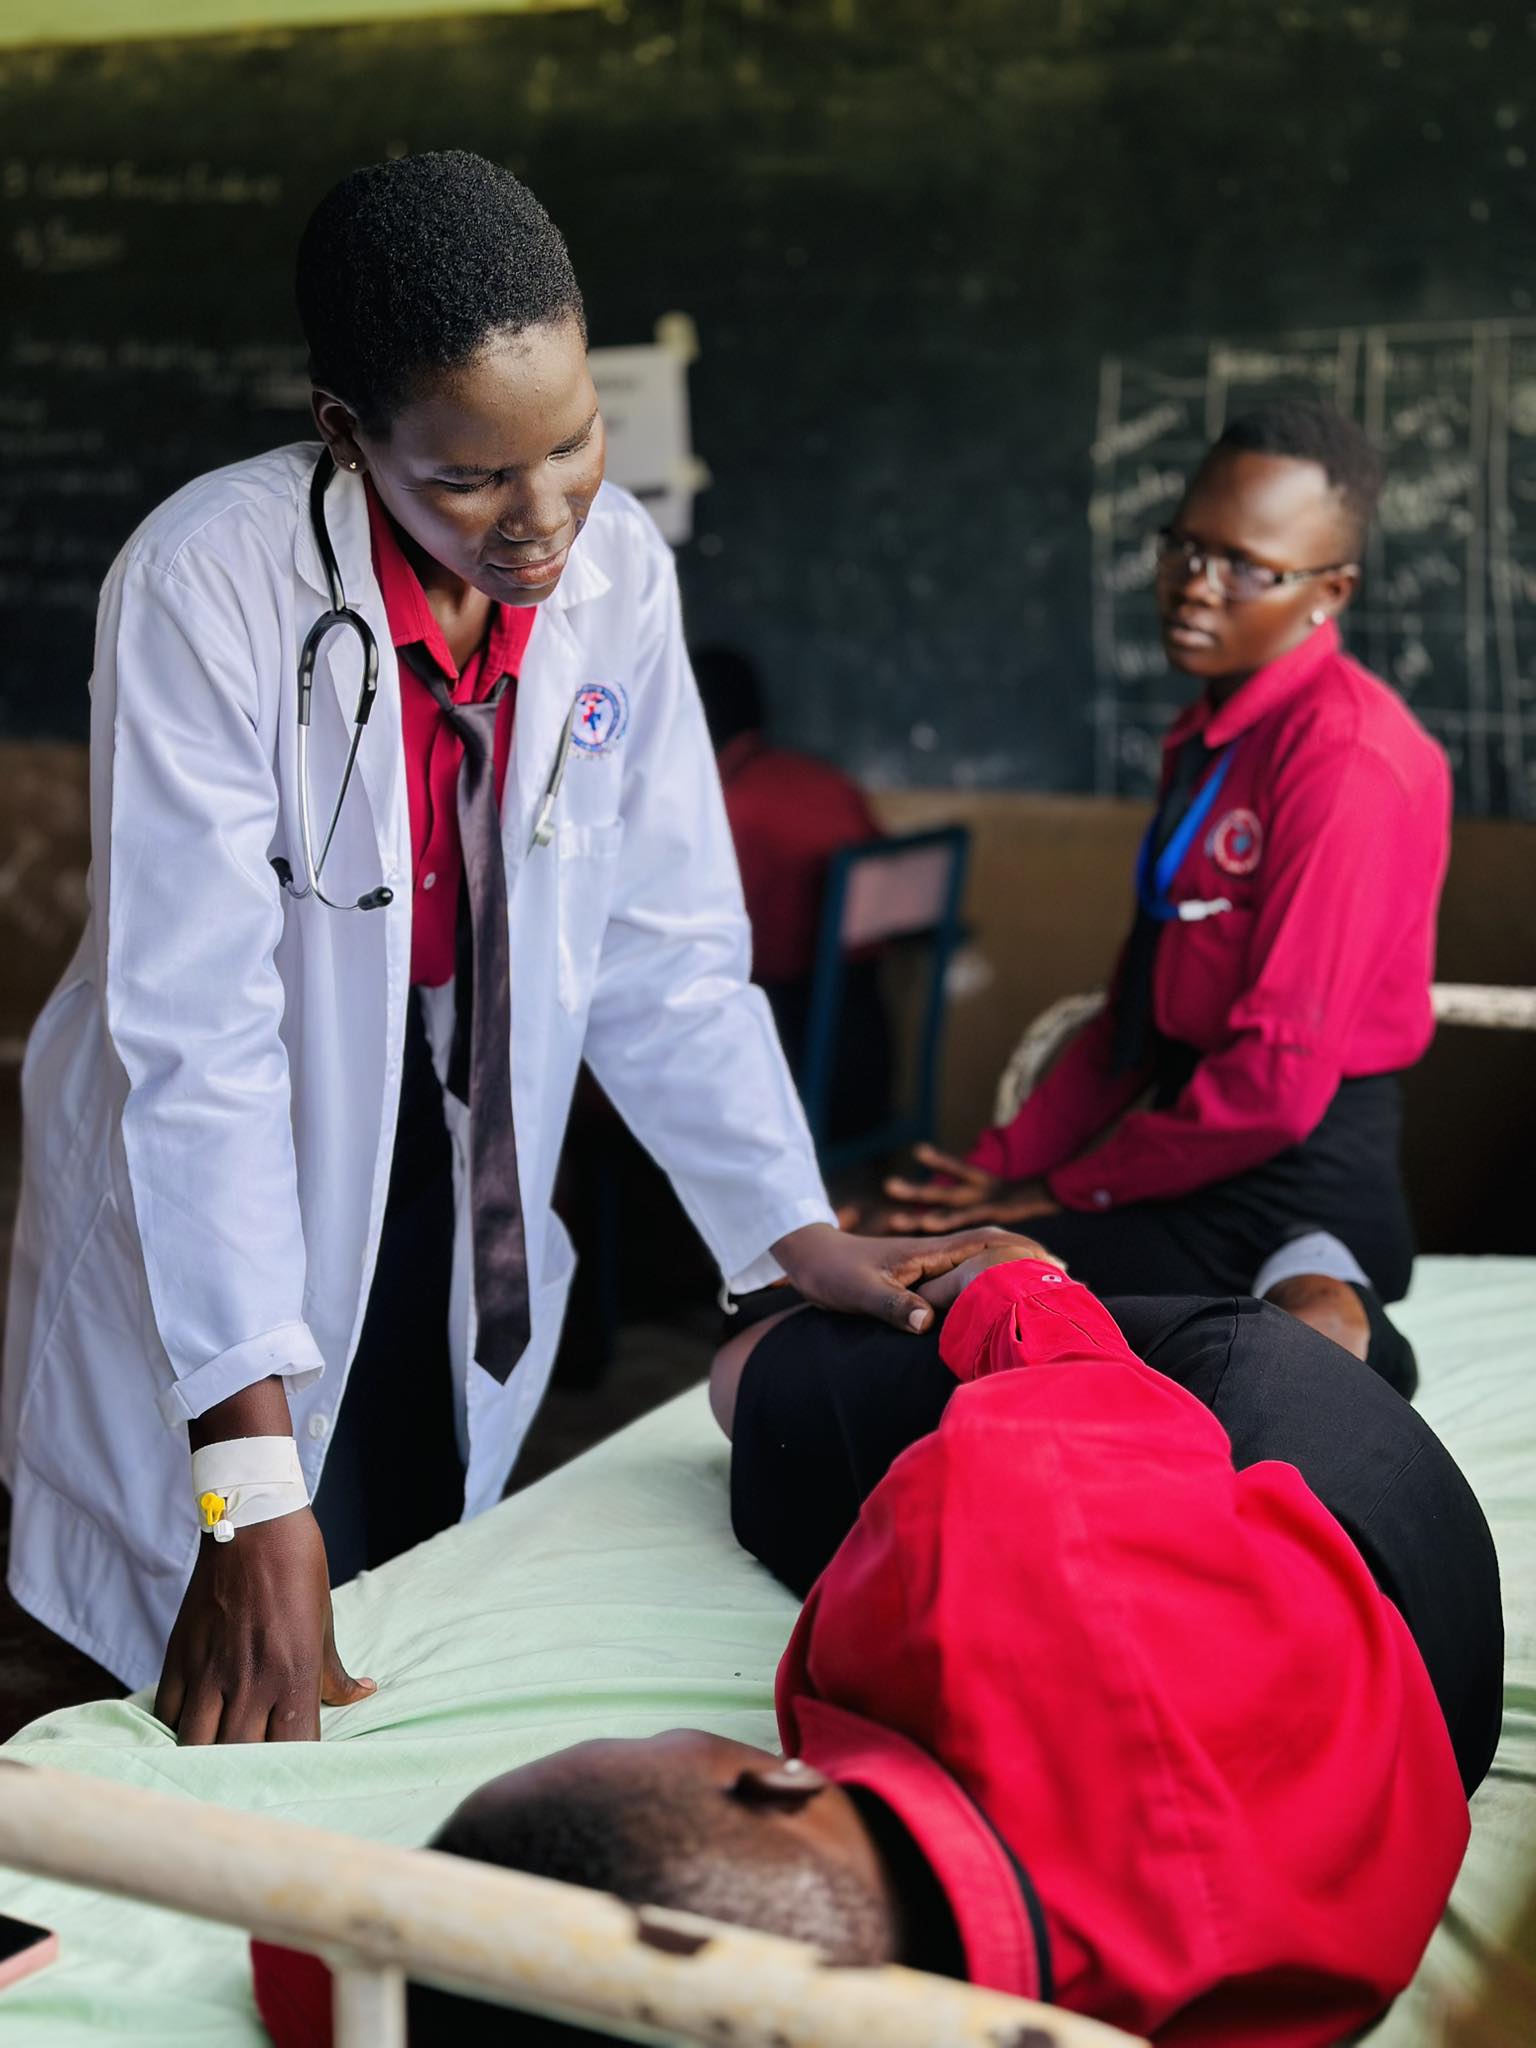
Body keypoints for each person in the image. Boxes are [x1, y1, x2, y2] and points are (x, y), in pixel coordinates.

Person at [0, 151, 999, 1742]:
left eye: (576, 442)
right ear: (346, 436)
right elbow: (199, 1041)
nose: (543, 521)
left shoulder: (618, 579)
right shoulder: (206, 584)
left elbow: (665, 951)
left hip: (458, 1116)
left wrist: (793, 1233)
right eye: (470, 481)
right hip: (236, 1137)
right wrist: (249, 1490)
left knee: (407, 1553)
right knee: (209, 1626)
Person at [249, 1243, 1501, 2047]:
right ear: (768, 1779)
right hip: (1315, 1461)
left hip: (1443, 1703)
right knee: (748, 1377)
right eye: (636, 1747)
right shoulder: (994, 1547)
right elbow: (1077, 1392)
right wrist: (1022, 1279)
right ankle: (1326, 1317)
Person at [883, 403, 1449, 1393]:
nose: (1195, 586)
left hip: (1295, 1175)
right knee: (934, 1282)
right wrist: (995, 1168)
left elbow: (1275, 1087)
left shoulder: (1345, 756)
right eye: (1184, 545)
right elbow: (1129, 1024)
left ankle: (1342, 1338)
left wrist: (1063, 1189)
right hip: (1194, 1145)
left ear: (1332, 592)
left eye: (1245, 566)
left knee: (1264, 1362)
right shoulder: (1209, 737)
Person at [693, 643, 891, 1140]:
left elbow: (708, 954)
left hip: (790, 1061)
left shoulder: (727, 807)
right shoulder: (830, 782)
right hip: (870, 1041)